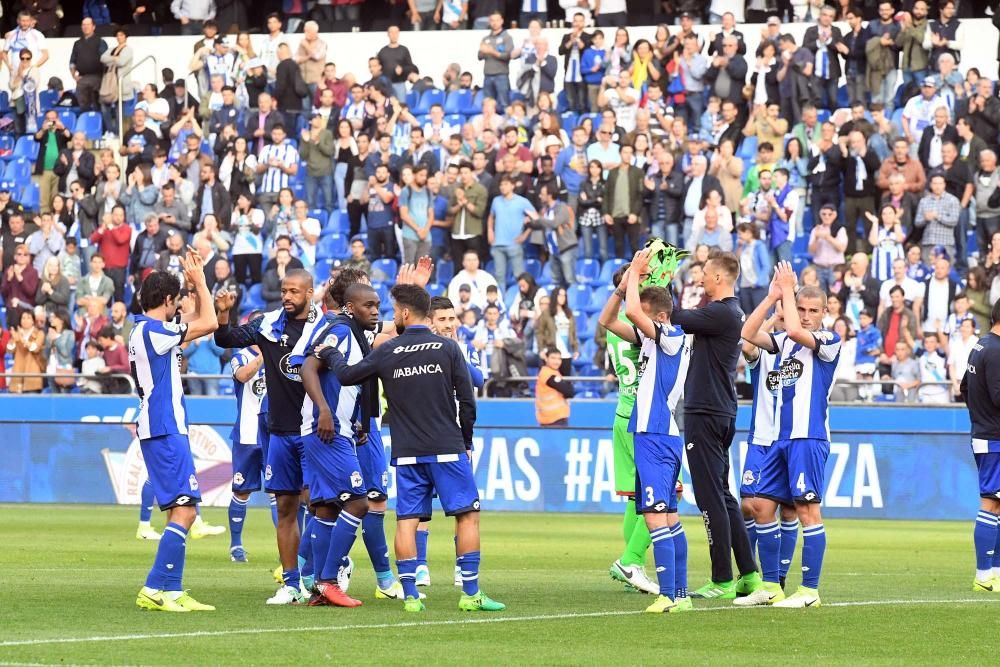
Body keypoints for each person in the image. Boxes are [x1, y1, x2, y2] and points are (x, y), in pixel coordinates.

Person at [317, 283, 505, 613]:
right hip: (447, 448)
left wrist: (330, 350)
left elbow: (347, 376)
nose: (391, 316)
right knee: (467, 515)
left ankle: (412, 597)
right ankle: (471, 593)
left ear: (405, 313)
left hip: (406, 451)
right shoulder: (448, 348)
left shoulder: (388, 351)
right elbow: (467, 400)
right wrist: (467, 440)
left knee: (407, 520)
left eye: (393, 310)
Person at [214, 270, 326, 606]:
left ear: (310, 292)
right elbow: (226, 338)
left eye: (294, 291)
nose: (287, 296)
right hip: (279, 433)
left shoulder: (325, 328)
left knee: (320, 506)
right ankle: (291, 584)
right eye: (284, 291)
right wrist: (223, 313)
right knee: (286, 506)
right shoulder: (268, 325)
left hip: (313, 432)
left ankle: (322, 576)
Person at [738, 261, 841, 607]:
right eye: (802, 309)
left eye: (814, 310)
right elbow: (748, 335)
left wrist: (787, 291)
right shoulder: (783, 342)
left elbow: (798, 332)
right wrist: (771, 298)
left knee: (807, 510)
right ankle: (770, 585)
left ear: (825, 313)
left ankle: (810, 590)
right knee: (763, 505)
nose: (807, 315)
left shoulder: (828, 340)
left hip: (808, 437)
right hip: (781, 438)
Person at [598, 250, 691, 613]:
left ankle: (669, 594)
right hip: (647, 430)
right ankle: (679, 595)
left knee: (656, 514)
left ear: (662, 317)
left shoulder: (671, 335)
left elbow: (636, 315)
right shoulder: (652, 339)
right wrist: (623, 289)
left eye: (647, 318)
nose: (637, 323)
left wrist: (636, 274)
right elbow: (609, 319)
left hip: (656, 432)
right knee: (665, 515)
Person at [130, 252, 219, 613]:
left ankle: (173, 589)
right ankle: (155, 587)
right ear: (167, 300)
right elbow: (209, 323)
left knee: (179, 511)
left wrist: (197, 296)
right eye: (177, 300)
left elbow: (197, 320)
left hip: (160, 426)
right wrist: (199, 280)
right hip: (165, 427)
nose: (179, 305)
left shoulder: (145, 330)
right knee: (186, 511)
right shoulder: (155, 330)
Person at [673, 251, 762, 600]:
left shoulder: (720, 313)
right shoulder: (730, 313)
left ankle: (722, 578)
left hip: (705, 411)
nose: (700, 279)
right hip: (720, 410)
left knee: (710, 498)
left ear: (721, 278)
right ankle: (749, 574)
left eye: (706, 274)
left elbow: (675, 317)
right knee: (724, 496)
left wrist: (661, 277)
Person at [960, 299, 1000, 592]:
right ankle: (984, 575)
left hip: (986, 433)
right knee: (991, 501)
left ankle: (995, 572)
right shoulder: (997, 351)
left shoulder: (980, 345)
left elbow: (964, 387)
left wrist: (979, 415)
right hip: (994, 438)